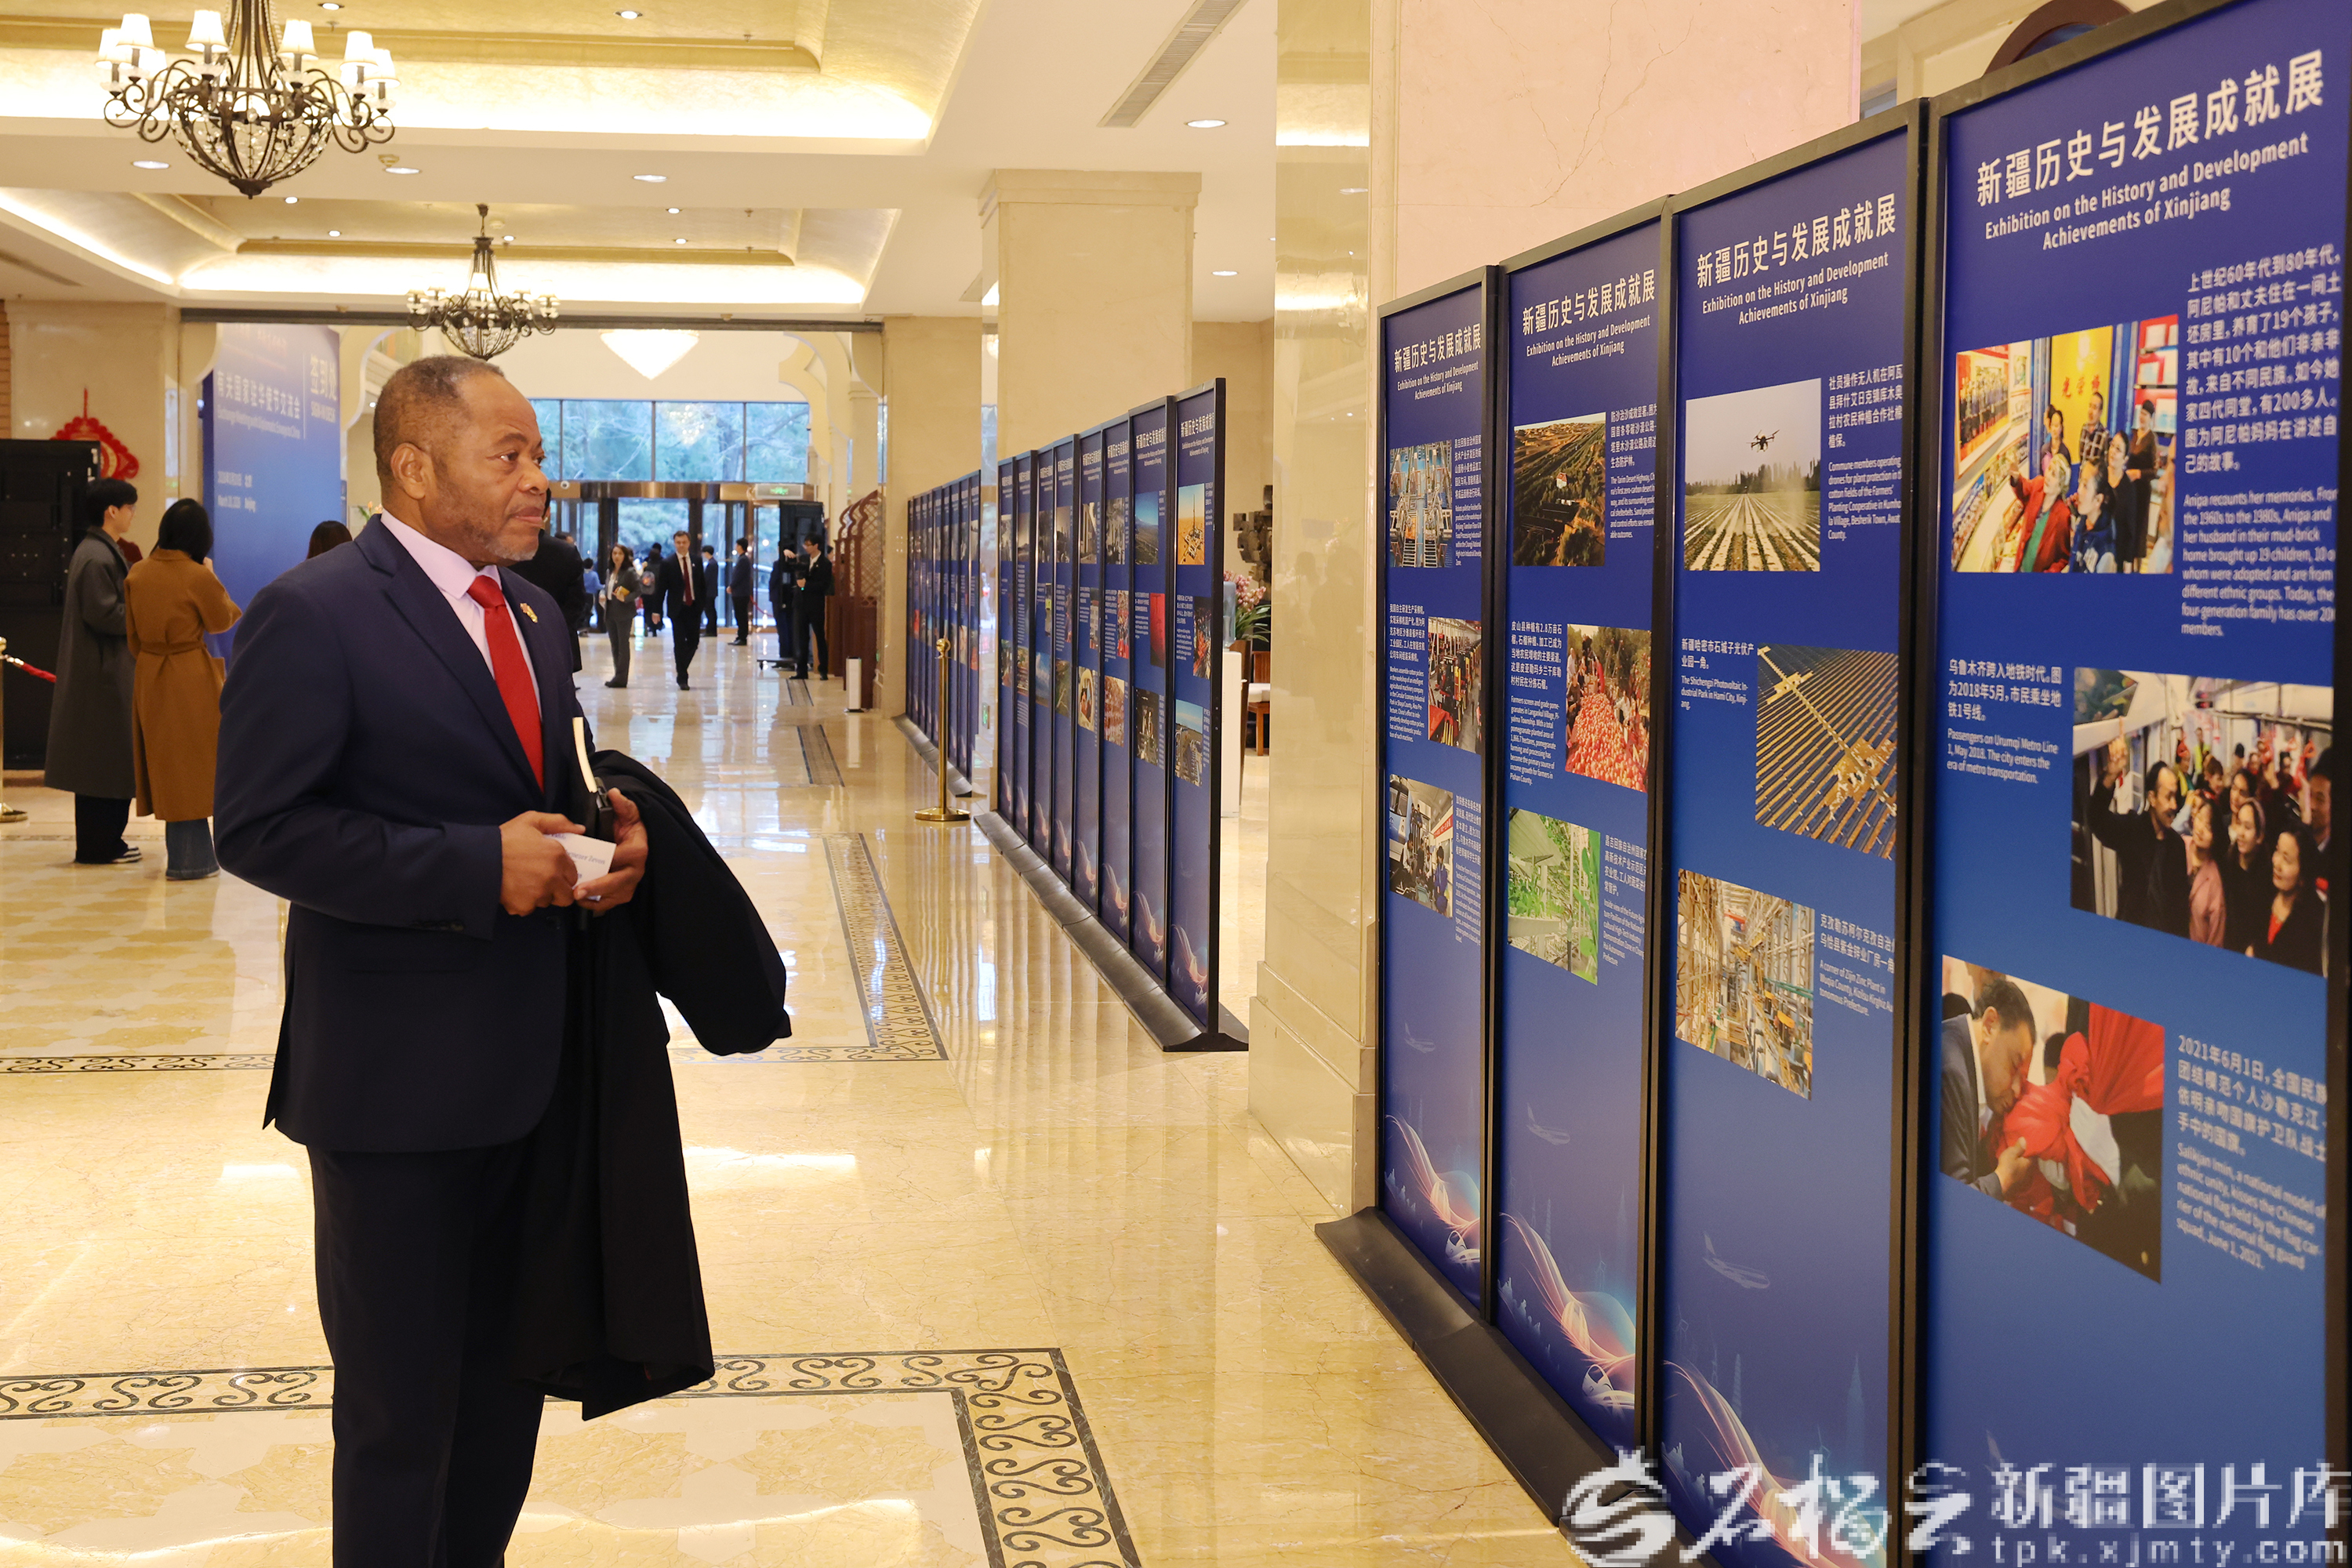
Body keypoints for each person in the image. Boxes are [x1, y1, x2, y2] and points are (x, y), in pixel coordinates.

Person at [214, 354, 649, 1566]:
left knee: (505, 1394)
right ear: (413, 467)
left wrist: (605, 837)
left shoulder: (535, 614)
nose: (538, 481)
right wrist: (472, 867)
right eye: (508, 456)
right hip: (393, 1093)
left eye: (538, 456)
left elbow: (540, 784)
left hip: (534, 1073)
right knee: (402, 1415)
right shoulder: (314, 612)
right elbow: (261, 827)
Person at [125, 499, 243, 880]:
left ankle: (187, 855)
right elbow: (221, 619)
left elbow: (132, 638)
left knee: (167, 764)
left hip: (149, 672)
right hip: (188, 671)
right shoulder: (196, 575)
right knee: (194, 766)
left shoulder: (138, 572)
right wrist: (212, 577)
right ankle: (193, 860)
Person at [46, 476, 141, 866]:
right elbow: (103, 614)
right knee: (103, 767)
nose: (133, 514)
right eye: (130, 508)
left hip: (103, 672)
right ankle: (99, 846)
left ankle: (106, 842)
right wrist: (142, 613)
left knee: (104, 766)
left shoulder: (97, 551)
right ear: (112, 511)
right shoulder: (97, 556)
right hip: (101, 675)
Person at [1939, 974, 2036, 1200]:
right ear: (1990, 1025)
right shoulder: (1952, 1072)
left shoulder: (1956, 1046)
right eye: (2014, 1065)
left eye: (2023, 1079)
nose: (2017, 1090)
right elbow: (1956, 1201)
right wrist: (2004, 1177)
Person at [2085, 731, 2190, 936]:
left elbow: (2180, 908)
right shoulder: (2132, 829)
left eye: (2175, 797)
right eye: (2168, 797)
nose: (2174, 805)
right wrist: (2110, 775)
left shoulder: (2177, 846)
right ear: (2152, 798)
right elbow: (2096, 820)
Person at [510, 526, 588, 676]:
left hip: (515, 637)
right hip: (558, 641)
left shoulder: (503, 550)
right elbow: (577, 603)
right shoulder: (566, 552)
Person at [2251, 823, 2325, 972]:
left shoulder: (2314, 919)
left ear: (2303, 873)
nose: (2277, 863)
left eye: (2287, 859)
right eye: (2277, 851)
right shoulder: (2263, 891)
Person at [650, 529, 710, 689]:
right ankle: (683, 678)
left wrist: (702, 605)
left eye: (684, 542)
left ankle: (681, 668)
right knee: (679, 643)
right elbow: (661, 588)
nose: (681, 545)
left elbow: (702, 585)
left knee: (694, 642)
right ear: (675, 544)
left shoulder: (697, 560)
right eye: (678, 542)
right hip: (677, 609)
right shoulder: (668, 563)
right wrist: (656, 611)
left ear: (689, 543)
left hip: (694, 607)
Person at [2185, 794, 2226, 946]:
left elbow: (2216, 938)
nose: (2201, 829)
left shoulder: (2214, 880)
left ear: (2215, 836)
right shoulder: (2179, 846)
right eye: (2200, 819)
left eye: (2208, 827)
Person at [791, 535, 833, 680]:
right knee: (801, 638)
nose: (806, 547)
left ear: (816, 546)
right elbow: (790, 568)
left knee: (820, 636)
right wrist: (787, 555)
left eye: (808, 545)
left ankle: (823, 669)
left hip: (816, 605)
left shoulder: (825, 563)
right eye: (805, 545)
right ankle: (801, 671)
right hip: (801, 604)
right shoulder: (803, 559)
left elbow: (824, 585)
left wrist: (806, 585)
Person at [601, 543, 642, 689]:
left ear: (625, 556)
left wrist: (626, 598)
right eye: (614, 554)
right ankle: (617, 675)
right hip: (610, 611)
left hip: (624, 613)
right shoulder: (610, 571)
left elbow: (638, 590)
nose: (616, 557)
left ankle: (621, 677)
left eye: (619, 554)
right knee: (615, 645)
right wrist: (603, 594)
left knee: (623, 645)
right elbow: (607, 588)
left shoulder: (629, 572)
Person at [728, 540, 755, 645]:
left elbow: (738, 576)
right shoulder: (742, 559)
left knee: (741, 615)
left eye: (737, 545)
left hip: (741, 593)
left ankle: (743, 637)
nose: (735, 546)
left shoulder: (743, 560)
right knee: (739, 615)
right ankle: (740, 636)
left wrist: (731, 586)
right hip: (740, 592)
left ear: (740, 546)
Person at [699, 544, 720, 637]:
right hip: (712, 591)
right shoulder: (713, 563)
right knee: (711, 611)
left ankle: (710, 631)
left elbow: (706, 579)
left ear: (707, 553)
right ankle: (711, 630)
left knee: (710, 611)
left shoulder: (711, 564)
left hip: (709, 592)